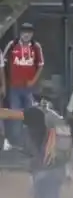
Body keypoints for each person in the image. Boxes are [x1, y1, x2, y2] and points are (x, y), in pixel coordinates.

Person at [1, 22, 44, 151]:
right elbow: (3, 64)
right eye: (24, 32)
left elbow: (41, 65)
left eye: (29, 32)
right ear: (20, 33)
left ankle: (31, 144)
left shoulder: (36, 47)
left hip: (29, 88)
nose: (26, 35)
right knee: (15, 114)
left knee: (31, 115)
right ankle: (16, 142)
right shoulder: (12, 45)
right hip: (14, 87)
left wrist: (33, 81)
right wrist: (6, 83)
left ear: (32, 34)